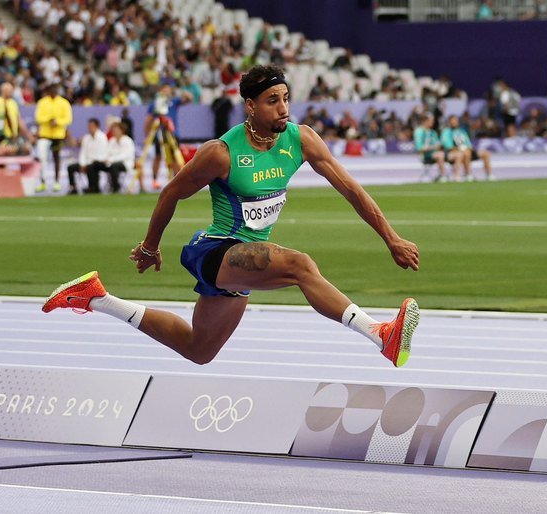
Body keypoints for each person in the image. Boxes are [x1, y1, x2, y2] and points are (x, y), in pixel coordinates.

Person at [42, 64, 420, 369]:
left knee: (199, 350)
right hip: (216, 250)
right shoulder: (221, 152)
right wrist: (150, 246)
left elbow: (352, 189)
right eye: (273, 100)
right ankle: (380, 334)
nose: (284, 109)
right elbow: (171, 192)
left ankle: (95, 297)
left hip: (245, 261)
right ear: (251, 106)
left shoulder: (300, 139)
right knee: (301, 266)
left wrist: (391, 238)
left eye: (286, 98)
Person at [143, 84, 191, 190]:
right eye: (164, 90)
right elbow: (148, 120)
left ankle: (177, 180)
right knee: (158, 156)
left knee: (175, 157)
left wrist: (183, 91)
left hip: (173, 133)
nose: (166, 93)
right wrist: (146, 135)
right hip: (159, 133)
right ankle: (155, 180)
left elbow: (189, 99)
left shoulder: (174, 102)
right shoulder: (154, 104)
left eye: (168, 91)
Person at [34, 83, 72, 193]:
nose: (53, 91)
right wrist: (49, 120)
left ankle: (56, 181)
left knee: (56, 157)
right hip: (44, 134)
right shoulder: (42, 102)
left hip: (58, 134)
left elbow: (68, 118)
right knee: (42, 157)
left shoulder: (64, 103)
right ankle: (42, 181)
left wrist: (57, 122)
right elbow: (38, 117)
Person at [440, 115, 494, 181]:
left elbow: (468, 143)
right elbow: (448, 146)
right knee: (466, 153)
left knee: (486, 153)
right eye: (453, 121)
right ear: (449, 122)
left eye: (456, 120)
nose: (455, 122)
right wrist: (460, 149)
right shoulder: (446, 132)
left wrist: (468, 148)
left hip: (466, 150)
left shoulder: (462, 131)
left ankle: (489, 175)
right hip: (454, 152)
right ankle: (468, 174)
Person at [413, 112, 462, 182]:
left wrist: (443, 146)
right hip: (426, 155)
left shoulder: (433, 132)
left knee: (458, 154)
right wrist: (434, 147)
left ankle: (456, 176)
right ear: (425, 121)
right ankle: (443, 176)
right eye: (431, 120)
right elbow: (419, 148)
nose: (433, 122)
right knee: (440, 155)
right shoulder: (419, 132)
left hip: (439, 152)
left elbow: (438, 144)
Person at [66, 118, 108, 195]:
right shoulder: (86, 138)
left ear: (97, 126)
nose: (90, 128)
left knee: (92, 166)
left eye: (92, 126)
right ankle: (73, 187)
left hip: (98, 162)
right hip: (86, 162)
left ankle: (93, 187)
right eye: (89, 126)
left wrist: (89, 163)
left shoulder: (102, 137)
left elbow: (103, 153)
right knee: (71, 167)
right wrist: (82, 164)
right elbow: (83, 153)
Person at [97, 121, 135, 193]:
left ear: (122, 130)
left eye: (116, 129)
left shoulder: (128, 141)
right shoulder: (112, 141)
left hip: (125, 164)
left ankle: (116, 187)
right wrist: (104, 160)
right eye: (113, 130)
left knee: (114, 166)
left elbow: (126, 155)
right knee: (95, 165)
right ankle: (94, 187)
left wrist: (111, 160)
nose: (114, 131)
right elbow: (107, 153)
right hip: (110, 163)